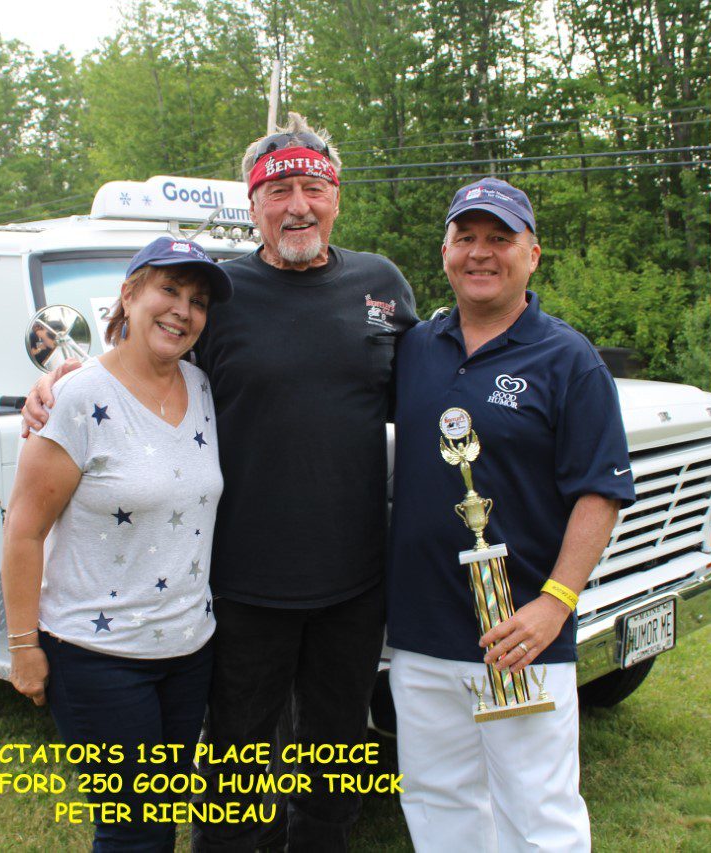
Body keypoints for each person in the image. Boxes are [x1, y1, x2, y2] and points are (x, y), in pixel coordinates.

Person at [24, 113, 417, 851]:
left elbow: (432, 380)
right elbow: (147, 365)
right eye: (279, 190)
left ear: (336, 196)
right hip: (241, 589)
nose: (297, 204)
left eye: (313, 186)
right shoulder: (221, 296)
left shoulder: (382, 285)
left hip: (354, 588)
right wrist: (60, 380)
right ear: (254, 202)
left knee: (332, 768)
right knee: (237, 773)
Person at [385, 178, 636, 851]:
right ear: (444, 252)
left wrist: (556, 601)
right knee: (439, 806)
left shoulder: (568, 359)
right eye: (466, 237)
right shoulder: (414, 348)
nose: (480, 253)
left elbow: (600, 493)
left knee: (538, 818)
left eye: (499, 238)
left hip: (519, 630)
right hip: (420, 633)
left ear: (533, 253)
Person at [2, 236, 233, 852]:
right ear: (128, 296)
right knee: (134, 831)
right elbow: (24, 529)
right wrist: (24, 648)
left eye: (198, 300)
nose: (183, 310)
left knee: (161, 818)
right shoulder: (76, 398)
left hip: (188, 649)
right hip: (99, 658)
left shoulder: (204, 388)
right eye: (168, 291)